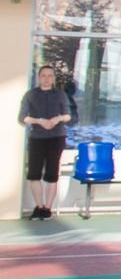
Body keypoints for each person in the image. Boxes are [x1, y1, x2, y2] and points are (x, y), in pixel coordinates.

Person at [19, 65, 76, 220]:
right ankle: (39, 206)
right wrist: (39, 121)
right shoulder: (31, 95)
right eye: (44, 75)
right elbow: (22, 117)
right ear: (39, 77)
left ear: (54, 78)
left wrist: (57, 119)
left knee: (52, 173)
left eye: (50, 76)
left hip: (56, 138)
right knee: (34, 174)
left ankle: (48, 209)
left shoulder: (60, 95)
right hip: (37, 138)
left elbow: (68, 116)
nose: (47, 79)